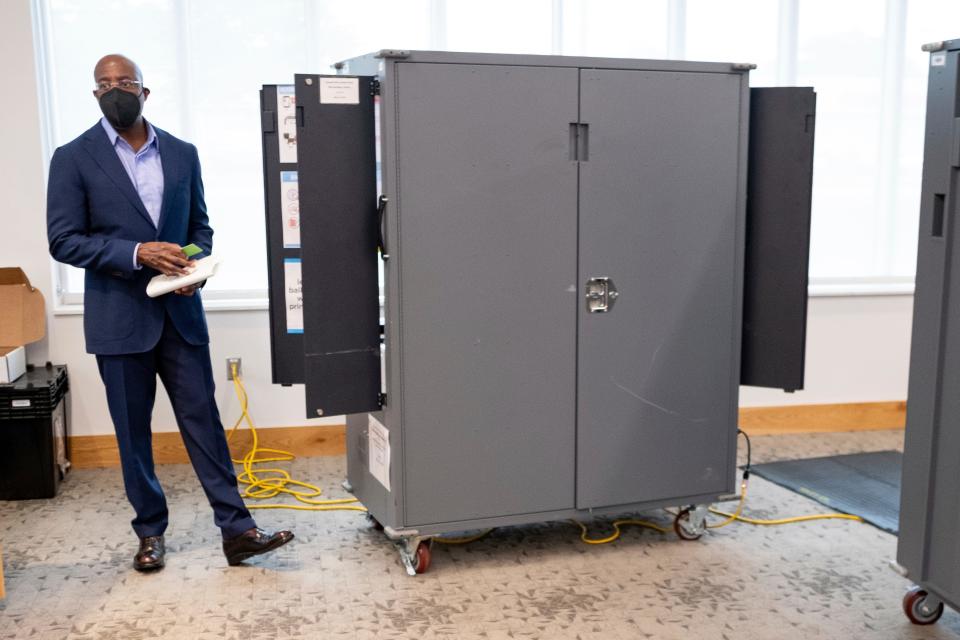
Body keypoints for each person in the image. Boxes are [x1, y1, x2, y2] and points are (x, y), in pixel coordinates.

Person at [46, 54, 293, 571]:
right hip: (118, 319)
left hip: (181, 316)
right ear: (94, 94)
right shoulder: (73, 158)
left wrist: (191, 270)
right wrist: (138, 253)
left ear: (145, 91)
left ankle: (238, 530)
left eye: (125, 82)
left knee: (204, 422)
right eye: (105, 84)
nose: (116, 90)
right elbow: (64, 240)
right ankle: (150, 533)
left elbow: (200, 229)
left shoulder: (182, 154)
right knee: (132, 433)